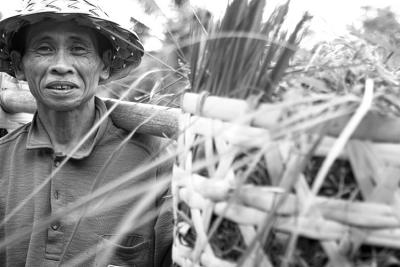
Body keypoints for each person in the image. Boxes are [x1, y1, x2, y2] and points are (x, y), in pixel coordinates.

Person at [0, 0, 173, 266]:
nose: (61, 65)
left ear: (104, 65)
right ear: (19, 64)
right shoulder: (2, 160)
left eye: (78, 49)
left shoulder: (154, 162)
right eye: (44, 49)